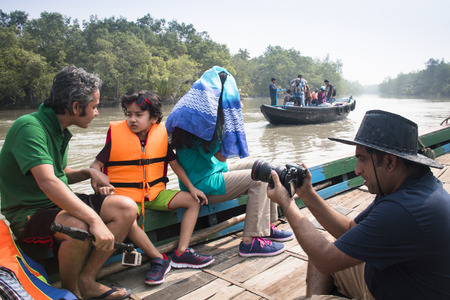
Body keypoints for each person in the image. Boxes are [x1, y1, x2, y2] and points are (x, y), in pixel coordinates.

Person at [267, 110, 450, 300]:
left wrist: (286, 203)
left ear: (389, 162)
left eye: (362, 159)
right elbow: (348, 230)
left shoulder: (404, 209)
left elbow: (325, 259)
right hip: (389, 280)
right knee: (322, 251)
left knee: (321, 255)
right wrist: (306, 193)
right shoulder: (406, 184)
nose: (357, 169)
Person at [0, 65, 134, 299]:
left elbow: (60, 173)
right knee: (78, 227)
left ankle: (87, 281)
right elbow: (49, 182)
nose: (97, 113)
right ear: (75, 107)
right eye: (94, 107)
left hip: (57, 205)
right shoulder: (29, 128)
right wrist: (94, 220)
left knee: (126, 208)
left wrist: (89, 173)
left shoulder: (59, 129)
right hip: (30, 213)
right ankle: (71, 293)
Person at [166, 66, 293, 257]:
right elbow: (221, 156)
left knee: (262, 167)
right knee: (258, 180)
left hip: (209, 172)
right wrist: (232, 123)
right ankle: (251, 241)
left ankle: (267, 226)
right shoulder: (206, 121)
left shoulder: (190, 112)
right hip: (203, 184)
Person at [90, 91, 214, 274]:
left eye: (138, 115)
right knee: (127, 219)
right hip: (127, 199)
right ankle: (158, 258)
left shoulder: (160, 135)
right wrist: (99, 182)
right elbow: (95, 165)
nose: (132, 119)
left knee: (192, 201)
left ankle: (181, 252)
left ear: (154, 117)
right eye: (128, 114)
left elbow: (174, 164)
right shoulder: (117, 136)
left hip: (155, 194)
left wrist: (191, 188)